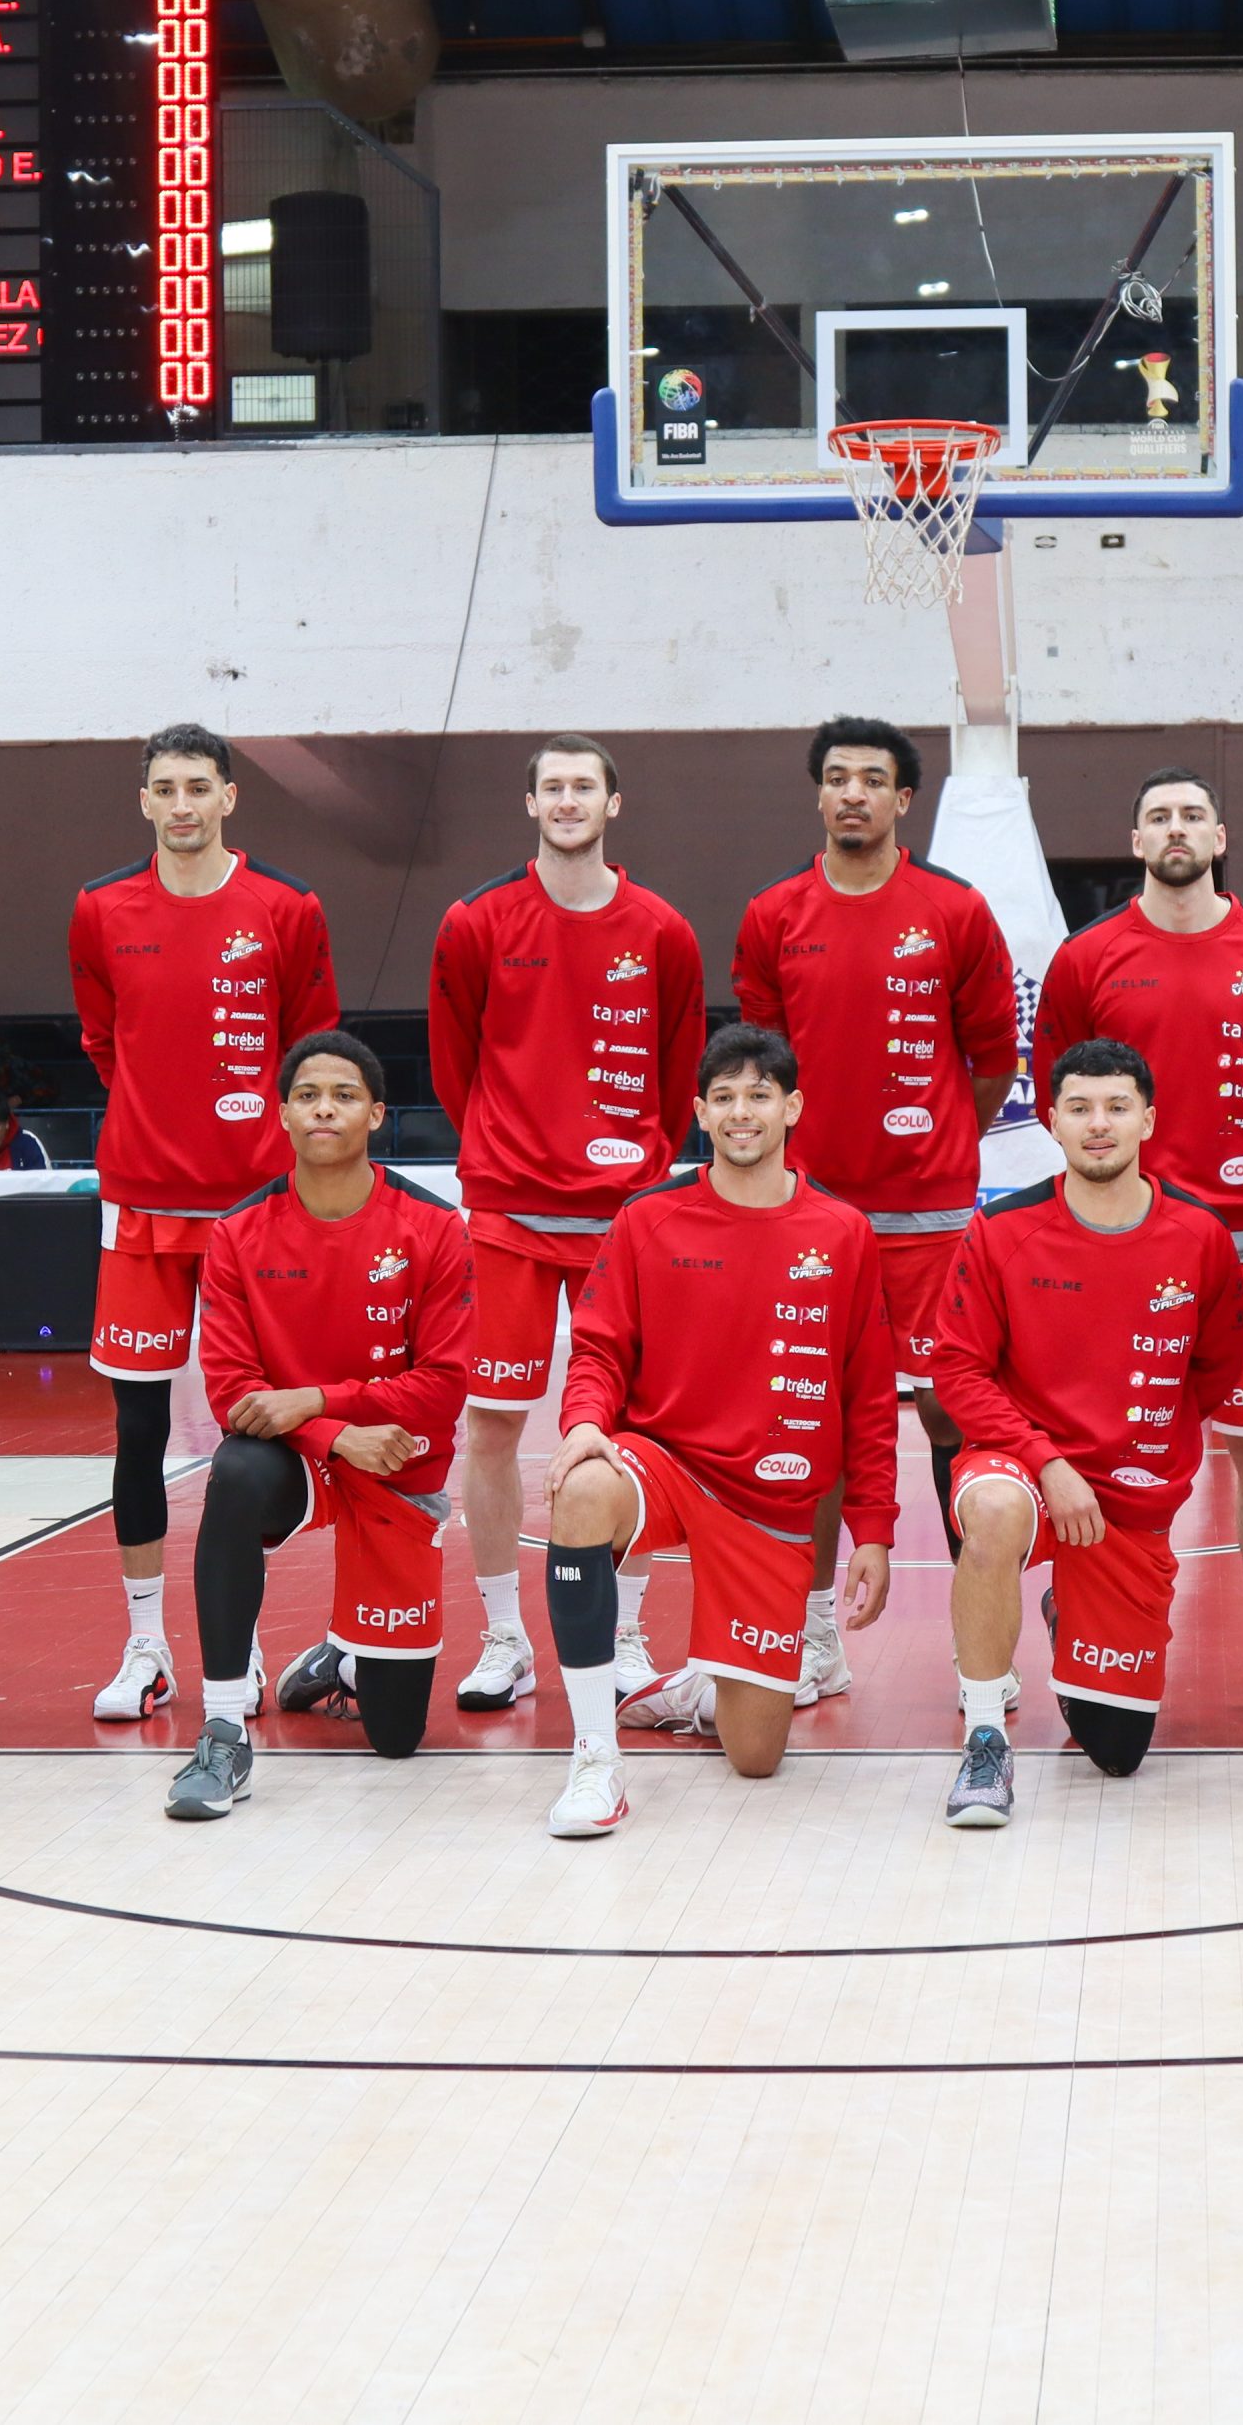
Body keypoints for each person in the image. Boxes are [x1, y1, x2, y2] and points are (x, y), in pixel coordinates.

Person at [532, 1025, 900, 1839]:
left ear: (792, 1106)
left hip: (768, 1505)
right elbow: (595, 1347)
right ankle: (595, 1757)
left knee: (758, 1756)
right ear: (699, 1110)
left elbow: (867, 1395)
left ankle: (700, 1685)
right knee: (584, 1486)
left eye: (759, 1094)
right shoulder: (647, 1218)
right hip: (664, 1465)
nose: (742, 1112)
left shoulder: (842, 1232)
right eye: (724, 1096)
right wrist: (586, 1424)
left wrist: (872, 1528)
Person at [1031, 767, 1243, 1723]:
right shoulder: (1088, 958)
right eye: (1157, 814)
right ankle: (1081, 1605)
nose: (1175, 827)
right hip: (1125, 1241)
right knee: (1110, 1444)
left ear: (1219, 833)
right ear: (1135, 840)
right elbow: (1060, 1088)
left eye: (1191, 814)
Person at [728, 717, 1016, 1695]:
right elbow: (758, 1075)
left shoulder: (956, 910)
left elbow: (992, 1062)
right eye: (837, 778)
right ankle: (815, 1635)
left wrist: (930, 1154)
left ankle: (981, 1643)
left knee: (951, 1415)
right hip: (806, 1222)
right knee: (809, 1422)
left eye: (873, 780)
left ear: (903, 801)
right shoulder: (772, 914)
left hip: (929, 1222)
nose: (853, 793)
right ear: (819, 795)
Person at [63, 725, 340, 1722]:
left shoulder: (286, 908)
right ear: (144, 802)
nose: (181, 805)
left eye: (198, 788)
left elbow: (315, 1060)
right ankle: (143, 1648)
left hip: (255, 1214)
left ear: (229, 797)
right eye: (164, 790)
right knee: (135, 1433)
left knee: (253, 1437)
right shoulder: (101, 908)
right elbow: (105, 1041)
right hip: (141, 1213)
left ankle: (245, 1645)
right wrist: (157, 1117)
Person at [425, 732, 704, 1720]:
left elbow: (680, 1078)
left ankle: (626, 1637)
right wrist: (508, 1146)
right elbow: (453, 1063)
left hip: (623, 1221)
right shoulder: (475, 921)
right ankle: (503, 1637)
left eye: (585, 786)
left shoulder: (663, 931)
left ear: (613, 805)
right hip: (505, 1210)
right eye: (553, 786)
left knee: (634, 1426)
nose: (569, 800)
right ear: (531, 803)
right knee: (492, 1426)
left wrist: (635, 1171)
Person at [930, 1038, 1243, 1827]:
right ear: (1051, 1121)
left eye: (1115, 1106)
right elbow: (958, 1372)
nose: (1097, 1123)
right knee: (998, 1512)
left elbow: (1214, 1368)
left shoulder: (1201, 1237)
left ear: (1148, 1117)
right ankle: (984, 1735)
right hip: (1023, 1465)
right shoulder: (1002, 1230)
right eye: (1079, 1107)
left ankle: (1069, 1610)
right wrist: (1045, 1459)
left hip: (1129, 1498)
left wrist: (1139, 1446)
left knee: (1116, 1751)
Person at [163, 1033, 477, 1819]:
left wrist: (311, 1400)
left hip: (398, 1460)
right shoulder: (237, 1232)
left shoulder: (435, 1227)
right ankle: (225, 1727)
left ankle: (340, 1660)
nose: (325, 1106)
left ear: (375, 1113)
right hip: (303, 1460)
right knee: (232, 1473)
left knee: (399, 1737)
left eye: (343, 1093)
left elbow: (442, 1388)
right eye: (308, 1094)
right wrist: (334, 1433)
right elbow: (233, 1390)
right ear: (283, 1115)